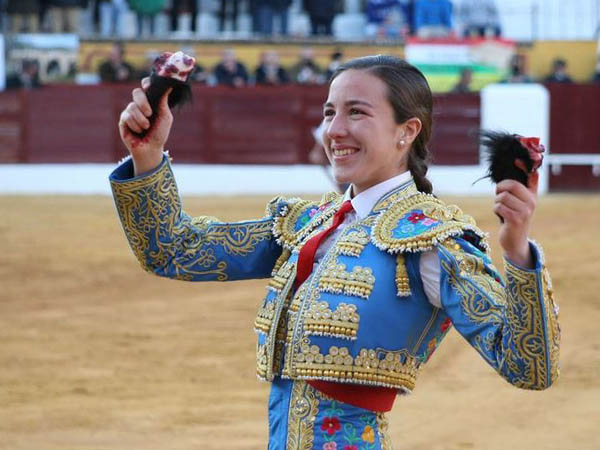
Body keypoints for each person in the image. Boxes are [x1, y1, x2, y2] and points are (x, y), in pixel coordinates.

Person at [112, 54, 560, 448]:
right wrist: (148, 154)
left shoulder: (431, 239)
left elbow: (527, 366)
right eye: (330, 112)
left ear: (407, 131)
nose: (335, 129)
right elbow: (172, 249)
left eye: (357, 112)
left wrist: (518, 252)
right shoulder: (308, 223)